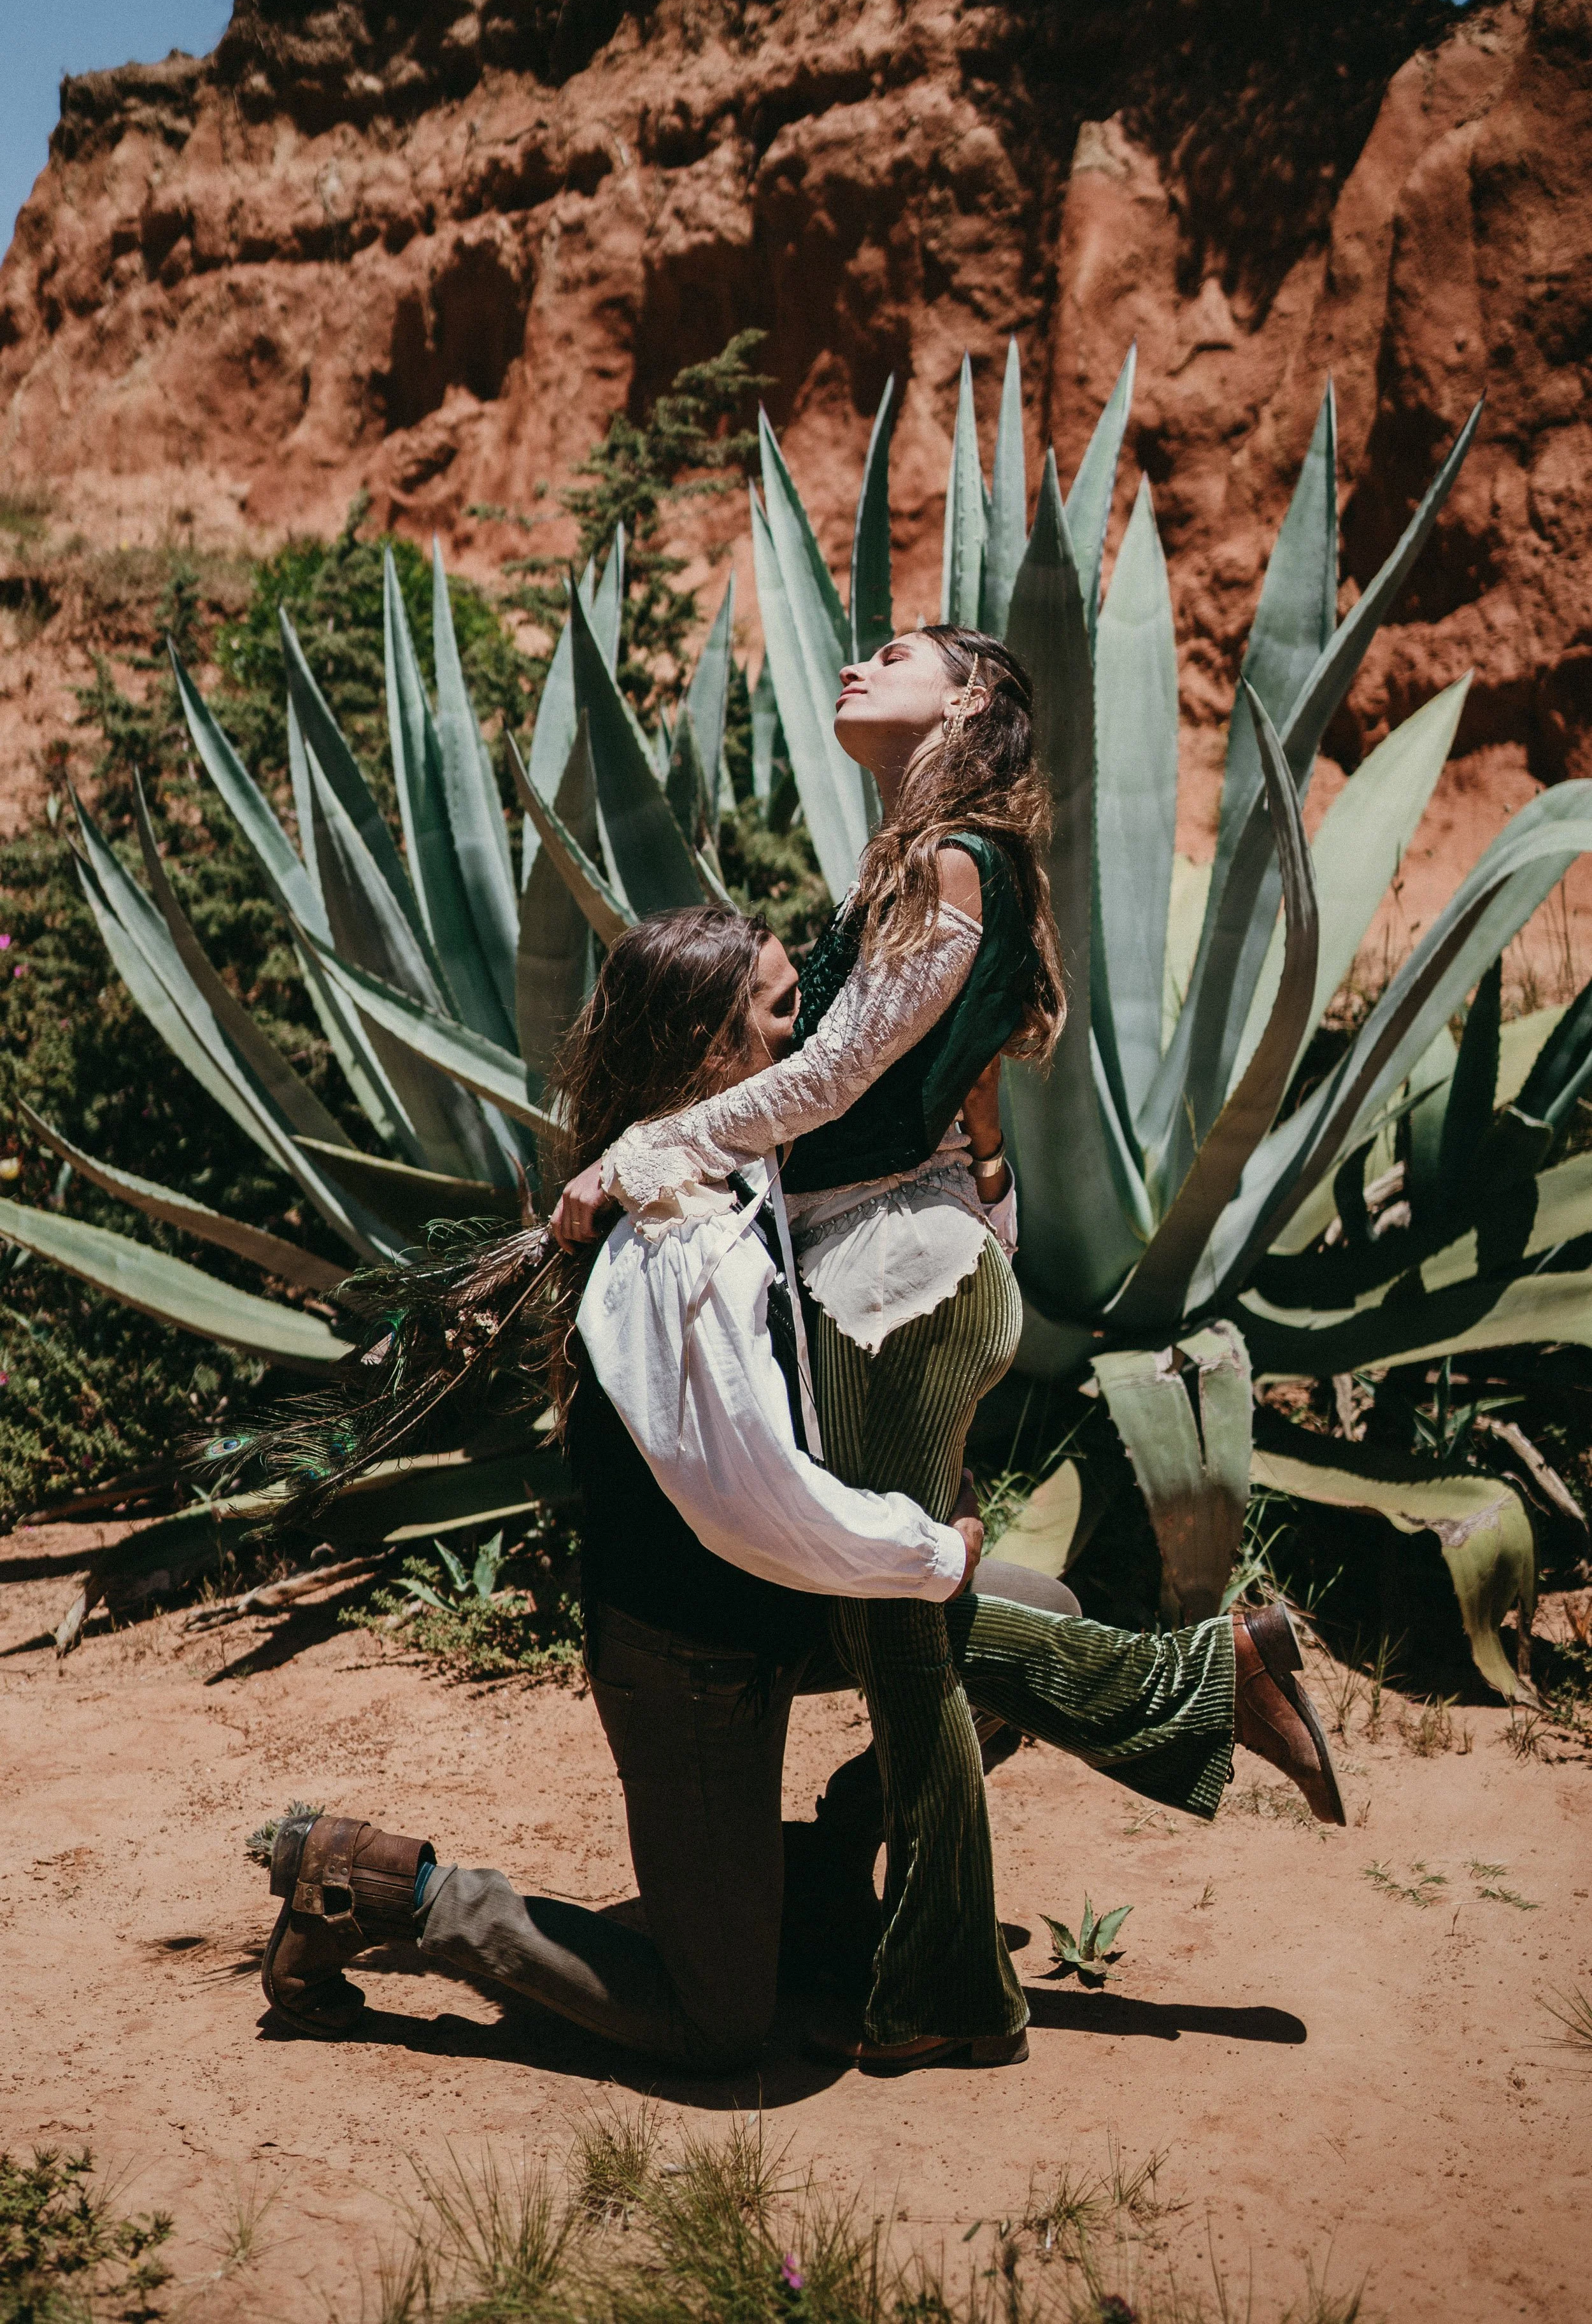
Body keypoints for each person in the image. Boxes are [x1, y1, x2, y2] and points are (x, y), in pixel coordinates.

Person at [253, 909, 1343, 2076]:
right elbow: (759, 1501)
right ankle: (388, 1889)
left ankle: (833, 1868)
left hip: (790, 1601)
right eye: (784, 1013)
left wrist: (983, 1147)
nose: (816, 1031)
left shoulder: (750, 1160)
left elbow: (916, 1248)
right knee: (719, 2023)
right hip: (694, 1663)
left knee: (1049, 1628)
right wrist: (936, 1554)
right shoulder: (682, 1247)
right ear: (712, 1055)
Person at [552, 627, 1068, 2061]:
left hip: (898, 1278)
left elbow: (836, 1073)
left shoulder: (951, 860)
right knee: (911, 1613)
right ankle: (1169, 1695)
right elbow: (955, 1089)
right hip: (889, 1265)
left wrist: (647, 1145)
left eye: (897, 652)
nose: (853, 661)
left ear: (965, 702)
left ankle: (946, 1993)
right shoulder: (925, 861)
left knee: (908, 1638)